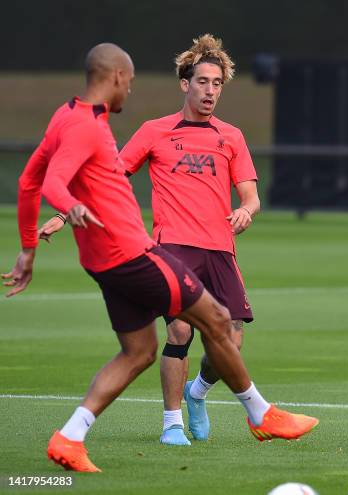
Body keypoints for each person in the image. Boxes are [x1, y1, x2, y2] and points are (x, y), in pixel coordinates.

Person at [2, 42, 318, 473]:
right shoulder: (92, 127)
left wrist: (28, 249)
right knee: (213, 322)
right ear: (116, 77)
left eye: (216, 84)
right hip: (135, 251)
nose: (130, 91)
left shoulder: (67, 116)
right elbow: (55, 181)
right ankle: (260, 414)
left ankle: (70, 437)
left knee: (138, 352)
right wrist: (66, 208)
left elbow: (29, 181)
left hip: (105, 260)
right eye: (129, 82)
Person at [39, 34, 260, 446]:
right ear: (185, 84)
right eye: (203, 82)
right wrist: (60, 214)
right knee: (179, 332)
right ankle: (172, 423)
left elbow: (250, 195)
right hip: (172, 246)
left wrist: (246, 209)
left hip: (219, 249)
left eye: (217, 84)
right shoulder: (155, 132)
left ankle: (198, 393)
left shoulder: (231, 136)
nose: (210, 91)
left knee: (231, 338)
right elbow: (105, 180)